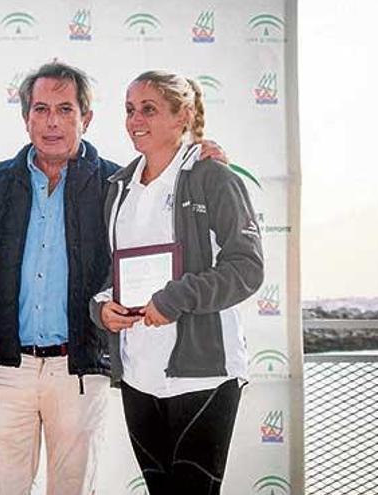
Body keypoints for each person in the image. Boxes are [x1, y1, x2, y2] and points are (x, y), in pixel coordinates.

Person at [0, 62, 227, 495]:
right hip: (7, 369)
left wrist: (201, 154)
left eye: (65, 109)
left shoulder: (117, 184)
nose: (52, 121)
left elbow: (168, 176)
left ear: (86, 119)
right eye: (40, 109)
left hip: (79, 369)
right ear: (26, 119)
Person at [89, 70, 264, 495]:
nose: (135, 120)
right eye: (129, 110)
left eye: (148, 109)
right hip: (137, 374)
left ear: (181, 115)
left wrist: (176, 298)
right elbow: (108, 275)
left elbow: (247, 267)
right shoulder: (118, 188)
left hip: (202, 374)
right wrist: (102, 308)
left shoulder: (213, 176)